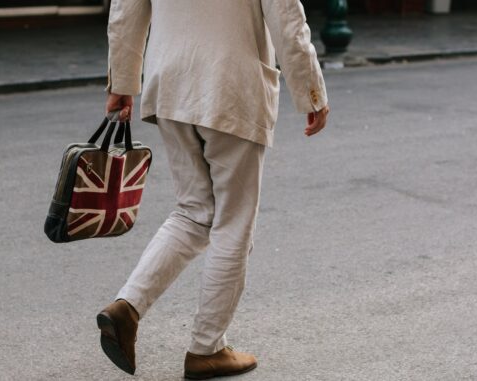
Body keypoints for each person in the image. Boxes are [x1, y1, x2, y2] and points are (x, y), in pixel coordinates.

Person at [95, 0, 330, 379]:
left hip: (169, 82)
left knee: (193, 211)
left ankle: (127, 307)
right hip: (232, 85)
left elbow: (125, 9)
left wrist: (123, 83)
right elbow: (287, 16)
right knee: (233, 223)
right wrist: (311, 92)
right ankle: (207, 349)